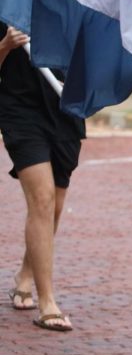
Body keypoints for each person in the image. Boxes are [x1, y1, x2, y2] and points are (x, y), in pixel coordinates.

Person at [1, 25, 84, 332]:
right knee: (43, 198)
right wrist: (6, 44)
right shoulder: (9, 2)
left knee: (55, 206)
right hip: (20, 110)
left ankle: (25, 273)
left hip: (66, 108)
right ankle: (47, 301)